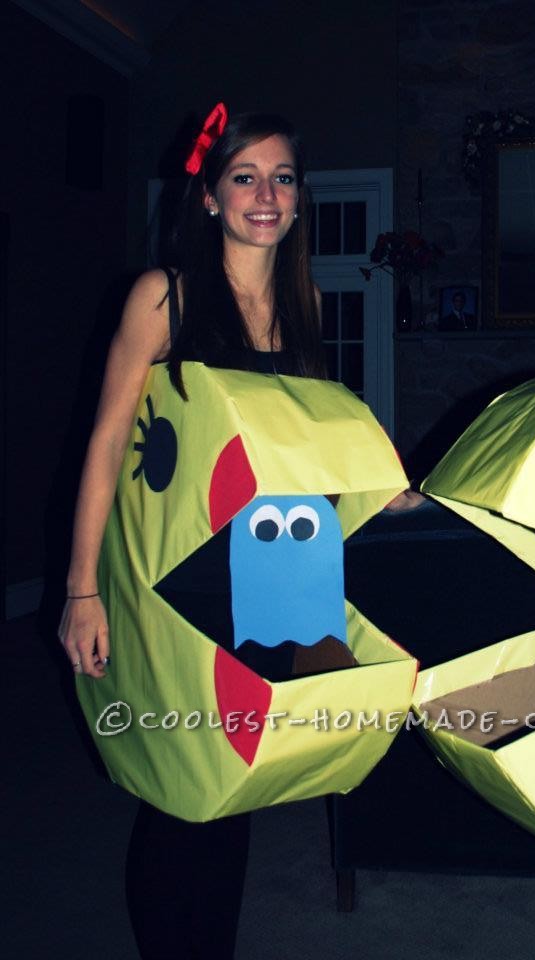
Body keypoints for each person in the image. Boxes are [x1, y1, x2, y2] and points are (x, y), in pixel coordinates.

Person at [58, 104, 329, 960]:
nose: (264, 194)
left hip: (275, 576)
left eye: (281, 178)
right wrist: (81, 589)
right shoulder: (163, 294)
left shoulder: (302, 300)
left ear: (297, 198)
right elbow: (103, 444)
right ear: (210, 197)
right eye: (244, 176)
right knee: (178, 791)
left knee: (237, 776)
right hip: (179, 582)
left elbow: (307, 440)